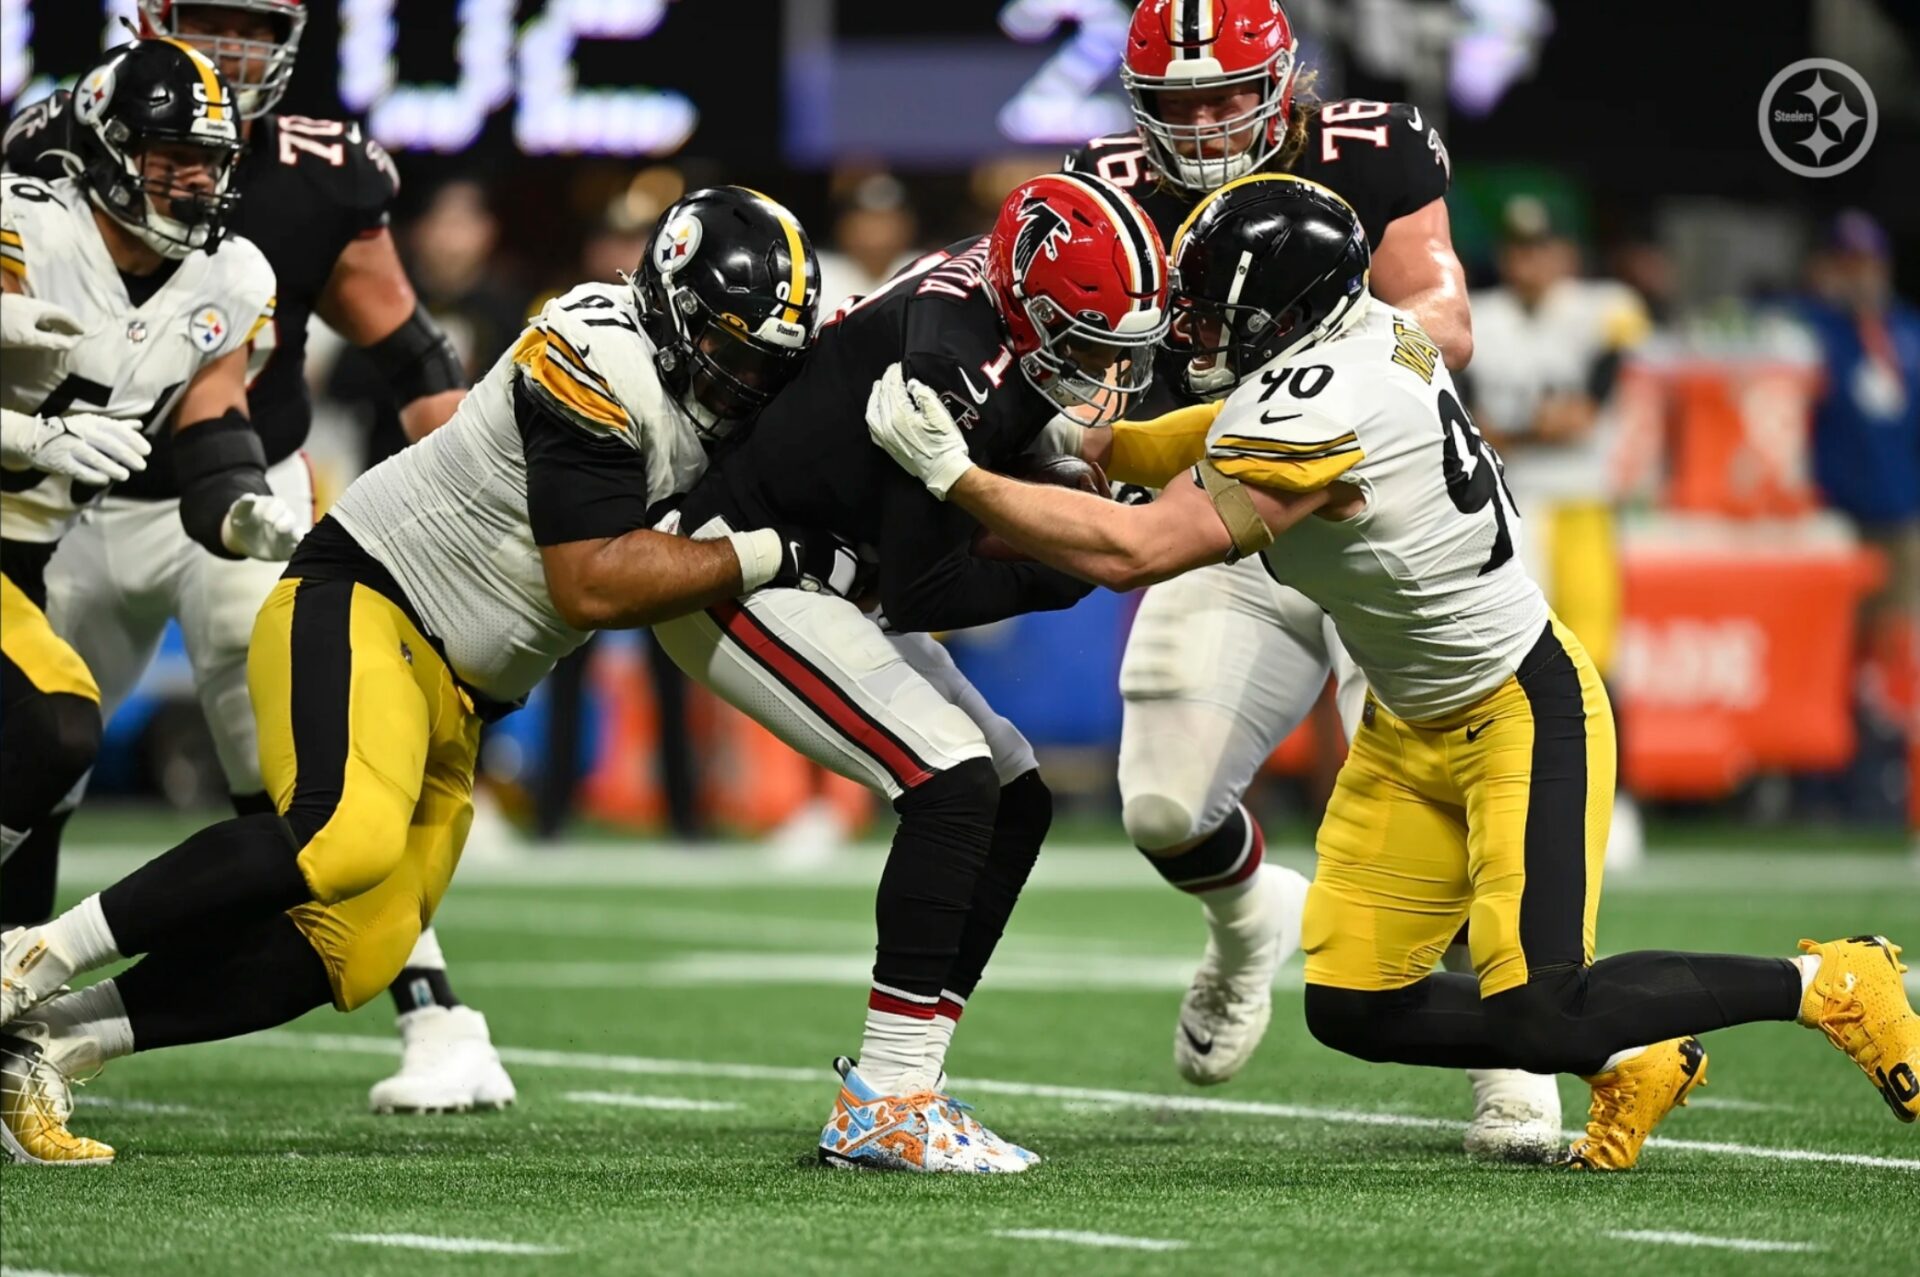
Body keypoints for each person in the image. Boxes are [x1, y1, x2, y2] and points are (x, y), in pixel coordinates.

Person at [867, 174, 1920, 1168]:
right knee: (1354, 1007)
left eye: (1214, 311)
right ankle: (1635, 1054)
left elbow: (1139, 550)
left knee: (1541, 1004)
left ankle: (1830, 981)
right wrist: (1094, 447)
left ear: (1288, 314)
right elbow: (1209, 430)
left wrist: (957, 477)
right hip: (1411, 725)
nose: (1192, 330)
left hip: (1519, 710)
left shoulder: (1324, 406)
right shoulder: (1364, 340)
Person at [0, 187, 852, 1165]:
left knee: (354, 946)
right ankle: (27, 959)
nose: (745, 381)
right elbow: (592, 585)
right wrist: (773, 550)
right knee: (342, 835)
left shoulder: (739, 379)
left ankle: (56, 1037)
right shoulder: (593, 352)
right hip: (369, 595)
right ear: (666, 306)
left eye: (765, 362)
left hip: (465, 689)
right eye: (731, 350)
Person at [1062, 0, 1557, 1158]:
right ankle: (1249, 923)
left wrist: (1297, 396)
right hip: (1229, 504)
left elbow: (1445, 319)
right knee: (1163, 806)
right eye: (1183, 106)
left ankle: (1512, 1050)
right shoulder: (1117, 179)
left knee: (1448, 783)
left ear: (1286, 79)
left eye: (1232, 95)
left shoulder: (1367, 146)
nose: (1212, 124)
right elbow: (1087, 363)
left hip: (1371, 508)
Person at [0, 0, 503, 1115]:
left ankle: (433, 1008)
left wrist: (476, 523)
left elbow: (397, 354)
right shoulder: (38, 168)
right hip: (61, 501)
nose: (191, 182)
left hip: (241, 482)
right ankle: (15, 1004)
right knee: (44, 746)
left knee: (300, 765)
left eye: (252, 23)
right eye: (169, 159)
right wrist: (30, 437)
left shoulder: (268, 226)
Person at [654, 170, 1169, 1173]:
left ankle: (910, 1082)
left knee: (1014, 796)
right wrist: (1079, 563)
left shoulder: (999, 312)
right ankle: (885, 1098)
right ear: (1030, 300)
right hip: (749, 567)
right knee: (952, 775)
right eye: (1088, 340)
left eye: (1119, 346)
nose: (1104, 368)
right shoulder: (946, 364)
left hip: (841, 566)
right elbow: (926, 591)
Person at [1466, 195, 1652, 870]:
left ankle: (1617, 801)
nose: (1530, 262)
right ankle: (1519, 803)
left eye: (1541, 248)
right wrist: (1534, 428)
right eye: (1518, 250)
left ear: (1565, 255)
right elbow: (1472, 416)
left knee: (1598, 657)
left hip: (1580, 506)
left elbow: (1588, 406)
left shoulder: (1599, 308)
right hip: (1509, 510)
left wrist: (1519, 429)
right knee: (1515, 660)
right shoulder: (1479, 318)